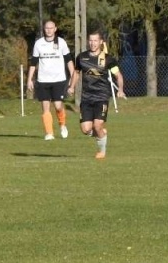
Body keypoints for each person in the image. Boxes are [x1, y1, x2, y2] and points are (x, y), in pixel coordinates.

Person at [68, 31, 124, 159]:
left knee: (97, 125)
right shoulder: (81, 57)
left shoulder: (108, 59)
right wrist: (71, 86)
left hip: (102, 97)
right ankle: (101, 133)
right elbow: (76, 73)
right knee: (86, 130)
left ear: (100, 42)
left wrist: (120, 89)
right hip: (86, 97)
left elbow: (118, 75)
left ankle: (102, 151)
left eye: (95, 40)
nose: (92, 43)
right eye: (90, 40)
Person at [27, 19, 73, 141]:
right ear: (44, 29)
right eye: (47, 28)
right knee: (45, 106)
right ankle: (49, 133)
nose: (49, 30)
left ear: (55, 29)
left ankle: (62, 124)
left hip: (59, 79)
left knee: (58, 106)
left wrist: (73, 77)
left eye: (51, 28)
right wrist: (29, 79)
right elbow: (33, 63)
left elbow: (68, 60)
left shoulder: (61, 42)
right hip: (43, 80)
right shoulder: (38, 44)